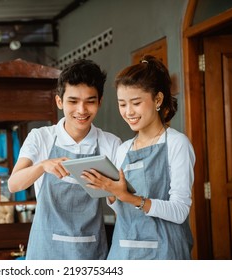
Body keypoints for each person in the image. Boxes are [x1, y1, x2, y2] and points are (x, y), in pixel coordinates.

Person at [81, 55, 195, 259]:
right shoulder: (123, 149)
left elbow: (179, 211)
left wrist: (129, 197)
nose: (128, 112)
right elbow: (121, 210)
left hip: (165, 252)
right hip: (124, 251)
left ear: (158, 99)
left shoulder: (177, 144)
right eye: (122, 104)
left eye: (135, 103)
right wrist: (110, 192)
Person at [8, 59, 121, 260]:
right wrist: (43, 166)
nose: (82, 110)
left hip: (90, 252)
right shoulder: (41, 137)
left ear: (100, 102)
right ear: (59, 101)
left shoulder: (111, 143)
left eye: (90, 101)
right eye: (73, 101)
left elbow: (120, 204)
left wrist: (111, 189)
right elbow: (14, 184)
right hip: (45, 252)